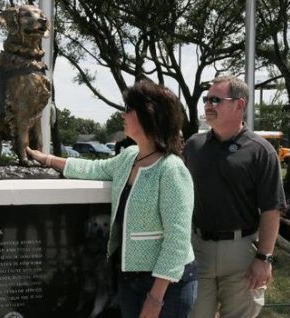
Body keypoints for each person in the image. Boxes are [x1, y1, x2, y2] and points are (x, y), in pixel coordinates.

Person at [27, 80, 197, 318]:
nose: (122, 114)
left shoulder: (171, 170)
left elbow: (177, 242)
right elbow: (91, 169)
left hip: (166, 286)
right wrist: (44, 159)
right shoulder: (129, 157)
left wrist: (156, 298)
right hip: (129, 281)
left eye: (129, 109)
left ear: (148, 115)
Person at [182, 75, 285, 318]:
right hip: (197, 250)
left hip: (242, 255)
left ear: (239, 105)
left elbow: (271, 209)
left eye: (215, 100)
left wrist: (264, 258)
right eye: (206, 99)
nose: (207, 105)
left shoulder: (262, 151)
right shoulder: (193, 147)